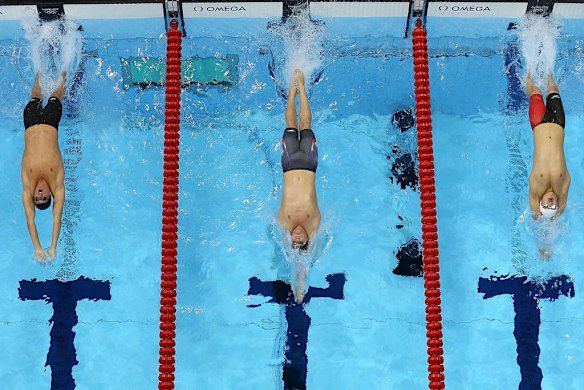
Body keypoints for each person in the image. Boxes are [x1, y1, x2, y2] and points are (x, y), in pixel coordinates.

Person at [277, 69, 321, 303]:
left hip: (289, 163)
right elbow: (304, 263)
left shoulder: (284, 219)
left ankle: (292, 90)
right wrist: (300, 287)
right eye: (299, 241)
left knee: (290, 122)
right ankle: (302, 88)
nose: (296, 235)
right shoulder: (313, 221)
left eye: (292, 240)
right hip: (309, 163)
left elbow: (290, 250)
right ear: (306, 240)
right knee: (305, 123)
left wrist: (295, 286)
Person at [21, 71, 66, 261]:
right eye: (44, 197)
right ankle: (63, 71)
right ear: (50, 195)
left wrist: (37, 248)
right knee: (56, 95)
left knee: (35, 96)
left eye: (36, 198)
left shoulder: (27, 185)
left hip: (30, 124)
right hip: (51, 123)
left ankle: (39, 69)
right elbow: (57, 218)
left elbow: (30, 220)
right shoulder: (57, 183)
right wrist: (52, 247)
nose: (39, 194)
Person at [526, 73, 570, 220]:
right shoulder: (563, 184)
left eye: (546, 206)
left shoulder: (536, 185)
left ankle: (529, 73)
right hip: (558, 122)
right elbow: (562, 204)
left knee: (535, 90)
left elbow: (534, 213)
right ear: (558, 206)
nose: (550, 203)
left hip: (538, 122)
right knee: (552, 88)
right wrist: (555, 217)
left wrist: (538, 219)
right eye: (553, 207)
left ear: (540, 203)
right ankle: (548, 71)